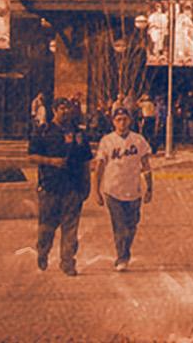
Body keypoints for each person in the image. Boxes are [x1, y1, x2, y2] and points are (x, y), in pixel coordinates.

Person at [27, 101, 94, 275]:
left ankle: (67, 262)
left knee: (70, 228)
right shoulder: (44, 131)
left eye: (68, 108)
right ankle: (43, 252)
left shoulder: (79, 134)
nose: (66, 112)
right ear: (54, 110)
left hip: (73, 186)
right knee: (46, 228)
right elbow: (31, 156)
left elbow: (86, 160)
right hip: (50, 186)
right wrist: (51, 161)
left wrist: (87, 184)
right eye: (62, 109)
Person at [95, 108, 154, 270]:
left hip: (133, 190)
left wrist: (150, 188)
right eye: (118, 119)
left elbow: (146, 165)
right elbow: (99, 166)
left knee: (131, 225)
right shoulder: (107, 141)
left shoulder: (138, 140)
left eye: (125, 119)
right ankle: (122, 257)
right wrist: (97, 191)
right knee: (119, 225)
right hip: (112, 190)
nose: (122, 123)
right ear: (113, 122)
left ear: (130, 120)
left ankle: (125, 251)